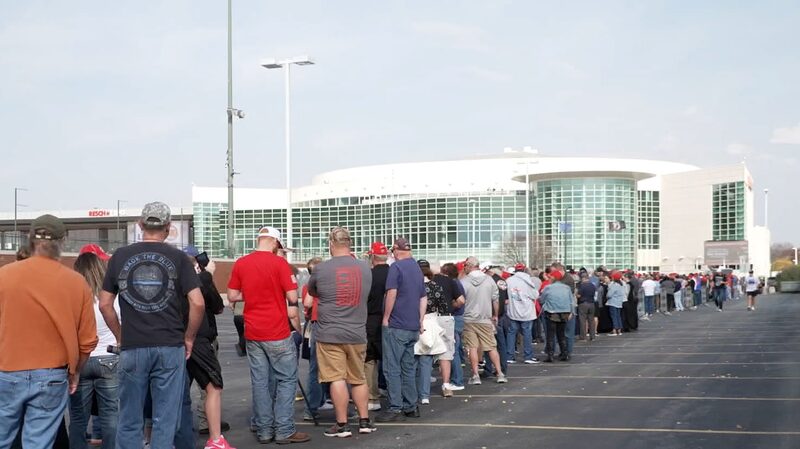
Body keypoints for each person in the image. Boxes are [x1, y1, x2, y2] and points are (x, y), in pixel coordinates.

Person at [98, 203, 205, 449]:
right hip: (169, 345)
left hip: (133, 345)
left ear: (140, 225)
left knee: (129, 418)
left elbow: (105, 304)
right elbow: (197, 303)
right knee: (166, 420)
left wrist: (120, 335)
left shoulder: (120, 256)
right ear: (168, 228)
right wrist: (188, 338)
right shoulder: (179, 258)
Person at [0, 214, 98, 449]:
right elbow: (88, 341)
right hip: (52, 375)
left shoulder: (4, 276)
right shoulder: (76, 282)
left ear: (30, 240)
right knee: (39, 442)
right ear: (62, 242)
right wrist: (74, 371)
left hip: (7, 370)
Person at [227, 226, 310, 445]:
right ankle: (284, 429)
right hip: (277, 330)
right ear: (274, 242)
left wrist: (252, 292)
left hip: (253, 331)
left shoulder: (242, 263)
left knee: (260, 382)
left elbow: (233, 296)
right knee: (286, 379)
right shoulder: (280, 264)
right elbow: (292, 296)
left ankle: (264, 429)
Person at [307, 227, 377, 438]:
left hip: (330, 332)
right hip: (356, 331)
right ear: (350, 243)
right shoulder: (365, 268)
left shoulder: (321, 269)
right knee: (358, 378)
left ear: (331, 244)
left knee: (336, 378)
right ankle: (364, 420)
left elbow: (312, 291)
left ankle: (342, 424)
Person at [69, 252, 120, 449]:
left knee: (78, 418)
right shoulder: (111, 298)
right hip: (109, 358)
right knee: (111, 416)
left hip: (80, 359)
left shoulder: (73, 298)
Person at [376, 237, 427, 422]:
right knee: (407, 367)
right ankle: (411, 406)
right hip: (412, 325)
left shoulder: (396, 268)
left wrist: (386, 317)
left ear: (396, 250)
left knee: (392, 368)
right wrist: (420, 321)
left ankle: (395, 407)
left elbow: (392, 293)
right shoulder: (416, 268)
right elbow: (423, 297)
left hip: (397, 325)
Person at [415, 259, 458, 402]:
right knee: (429, 359)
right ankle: (427, 394)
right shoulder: (435, 287)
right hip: (432, 321)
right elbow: (444, 307)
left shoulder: (412, 286)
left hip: (414, 322)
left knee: (413, 360)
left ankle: (413, 393)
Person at [460, 257, 507, 385]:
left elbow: (460, 300)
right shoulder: (489, 280)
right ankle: (500, 373)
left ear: (469, 266)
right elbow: (495, 300)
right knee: (491, 347)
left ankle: (475, 375)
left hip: (469, 319)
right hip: (485, 318)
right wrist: (495, 315)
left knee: (472, 347)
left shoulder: (464, 281)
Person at [301, 257, 328, 421]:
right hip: (319, 324)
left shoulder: (316, 286)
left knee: (321, 367)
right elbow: (307, 303)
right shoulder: (311, 287)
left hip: (321, 324)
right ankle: (311, 406)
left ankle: (319, 401)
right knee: (316, 368)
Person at [365, 242, 390, 411]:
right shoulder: (395, 273)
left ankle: (372, 398)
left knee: (369, 360)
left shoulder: (368, 275)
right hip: (393, 320)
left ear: (372, 257)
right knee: (393, 360)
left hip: (371, 320)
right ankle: (398, 396)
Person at [440, 263, 467, 391]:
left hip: (455, 317)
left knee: (452, 349)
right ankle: (455, 378)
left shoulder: (453, 283)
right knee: (453, 348)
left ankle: (457, 380)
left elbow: (461, 300)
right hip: (458, 317)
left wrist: (452, 306)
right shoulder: (456, 282)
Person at [505, 264, 539, 363]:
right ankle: (528, 356)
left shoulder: (509, 281)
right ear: (524, 270)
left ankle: (509, 356)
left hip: (513, 310)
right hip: (526, 311)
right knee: (527, 334)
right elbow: (535, 295)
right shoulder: (528, 280)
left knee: (511, 333)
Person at [540, 270, 573, 362]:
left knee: (550, 335)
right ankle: (564, 353)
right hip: (564, 312)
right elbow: (571, 301)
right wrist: (571, 312)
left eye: (550, 277)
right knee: (561, 334)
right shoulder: (566, 288)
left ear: (553, 278)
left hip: (552, 312)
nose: (549, 278)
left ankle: (550, 355)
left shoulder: (548, 288)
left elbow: (542, 299)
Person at [576, 274, 597, 341]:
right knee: (591, 321)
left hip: (583, 304)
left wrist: (576, 294)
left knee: (583, 321)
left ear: (583, 279)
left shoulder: (582, 286)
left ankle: (583, 337)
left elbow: (579, 296)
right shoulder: (593, 286)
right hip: (592, 304)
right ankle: (592, 336)